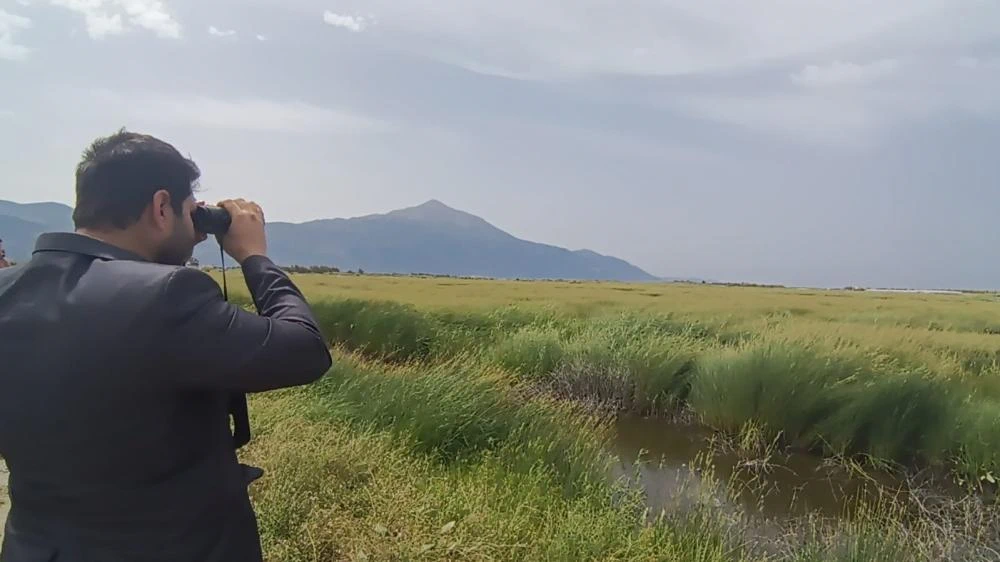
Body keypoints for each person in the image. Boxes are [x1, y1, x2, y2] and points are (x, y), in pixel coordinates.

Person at [0, 129, 333, 561]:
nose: (196, 232)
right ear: (161, 207)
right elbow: (305, 350)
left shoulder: (7, 290)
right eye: (190, 212)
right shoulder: (167, 294)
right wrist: (255, 257)